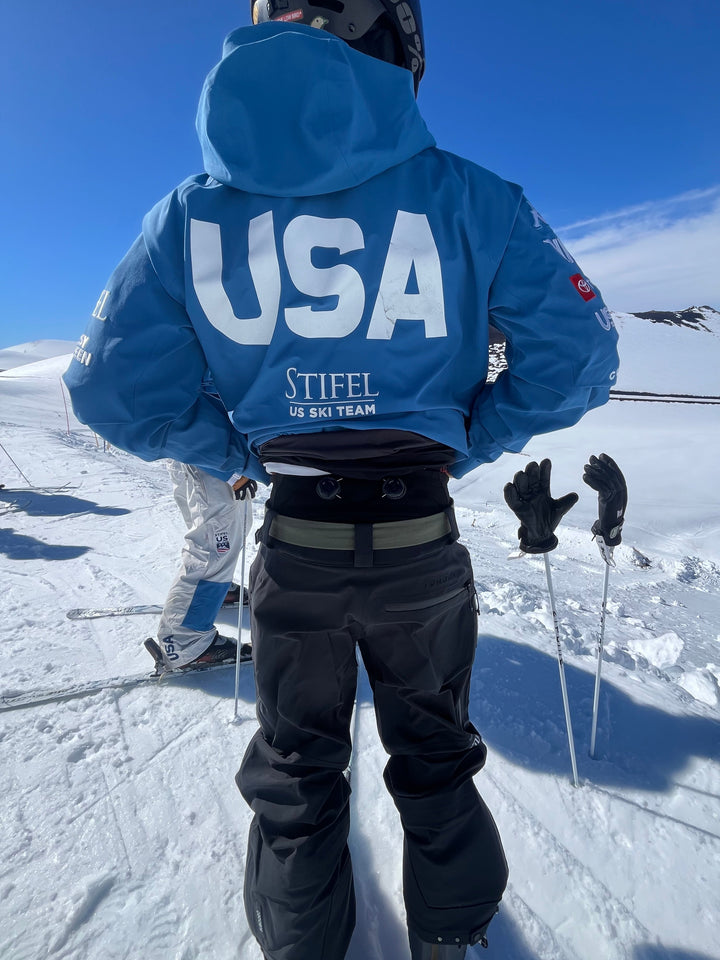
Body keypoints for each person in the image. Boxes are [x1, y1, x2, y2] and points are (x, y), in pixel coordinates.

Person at [63, 2, 620, 957]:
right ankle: (452, 943)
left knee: (295, 770)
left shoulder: (189, 214)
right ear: (399, 48)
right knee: (437, 763)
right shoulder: (472, 197)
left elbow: (111, 386)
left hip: (298, 536)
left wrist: (242, 453)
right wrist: (471, 442)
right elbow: (578, 356)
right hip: (419, 540)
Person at [143, 460, 256, 672]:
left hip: (204, 457)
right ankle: (185, 643)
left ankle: (212, 593)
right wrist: (229, 471)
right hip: (214, 460)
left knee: (218, 536)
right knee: (214, 546)